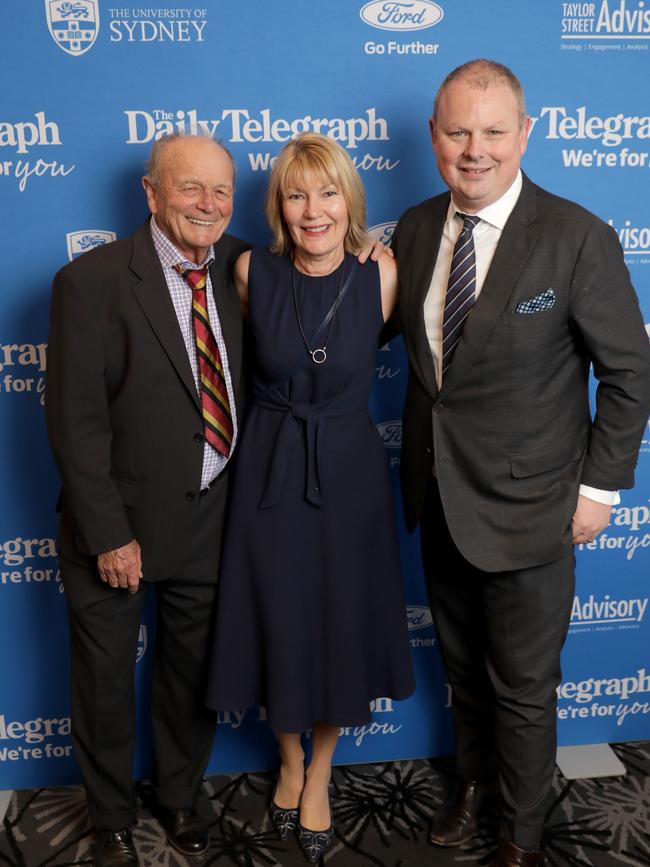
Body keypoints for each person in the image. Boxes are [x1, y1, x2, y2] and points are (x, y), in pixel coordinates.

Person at [391, 59, 650, 867]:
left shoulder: (578, 236)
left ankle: (522, 830)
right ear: (434, 136)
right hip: (439, 495)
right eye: (458, 131)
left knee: (526, 688)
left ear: (525, 134)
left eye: (494, 131)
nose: (476, 150)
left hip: (536, 506)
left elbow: (631, 372)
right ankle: (471, 786)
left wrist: (599, 487)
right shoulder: (416, 227)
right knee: (464, 670)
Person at [205, 133, 416, 863]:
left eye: (327, 193)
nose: (313, 209)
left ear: (350, 200)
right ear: (279, 206)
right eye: (297, 194)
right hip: (267, 464)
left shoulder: (382, 273)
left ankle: (320, 767)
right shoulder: (247, 270)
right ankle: (288, 755)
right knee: (277, 614)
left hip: (350, 472)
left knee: (338, 617)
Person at [46, 135, 249, 867]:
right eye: (190, 188)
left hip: (211, 518)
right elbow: (76, 420)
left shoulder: (245, 268)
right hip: (117, 524)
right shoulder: (91, 281)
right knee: (104, 682)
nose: (209, 204)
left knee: (191, 676)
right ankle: (109, 818)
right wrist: (107, 533)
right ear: (151, 192)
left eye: (221, 190)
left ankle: (180, 795)